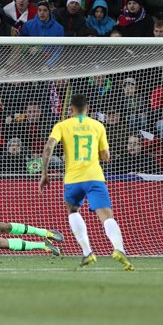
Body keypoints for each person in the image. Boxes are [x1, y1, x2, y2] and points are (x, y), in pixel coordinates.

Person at [39, 94, 135, 271]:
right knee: (106, 216)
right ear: (88, 109)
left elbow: (48, 147)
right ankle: (119, 249)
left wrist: (44, 173)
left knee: (73, 211)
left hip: (72, 179)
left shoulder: (62, 125)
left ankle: (87, 252)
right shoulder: (98, 125)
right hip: (94, 177)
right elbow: (106, 156)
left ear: (71, 110)